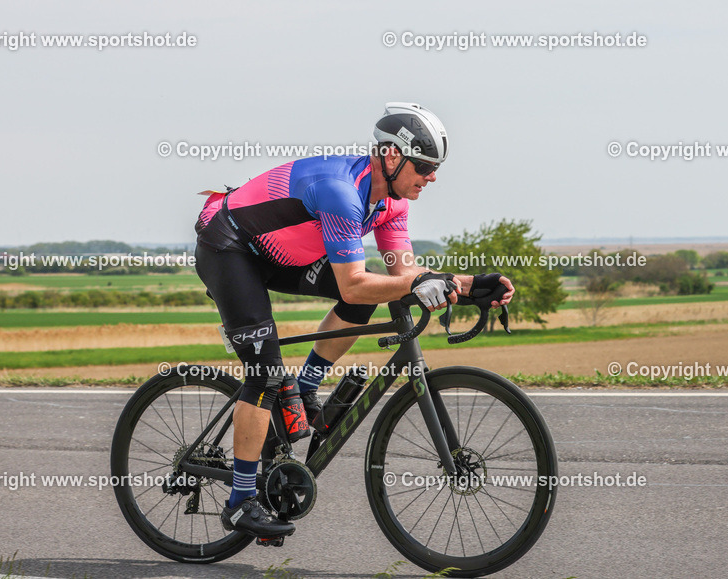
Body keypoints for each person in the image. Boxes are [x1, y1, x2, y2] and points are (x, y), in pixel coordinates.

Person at [193, 102, 514, 539]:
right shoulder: (341, 192)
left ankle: (305, 388)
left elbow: (403, 275)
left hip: (282, 253)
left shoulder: (392, 204)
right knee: (265, 376)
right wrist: (422, 283)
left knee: (372, 295)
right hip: (229, 246)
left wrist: (470, 284)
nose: (432, 177)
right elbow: (354, 285)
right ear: (391, 156)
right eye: (424, 166)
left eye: (436, 168)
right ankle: (240, 502)